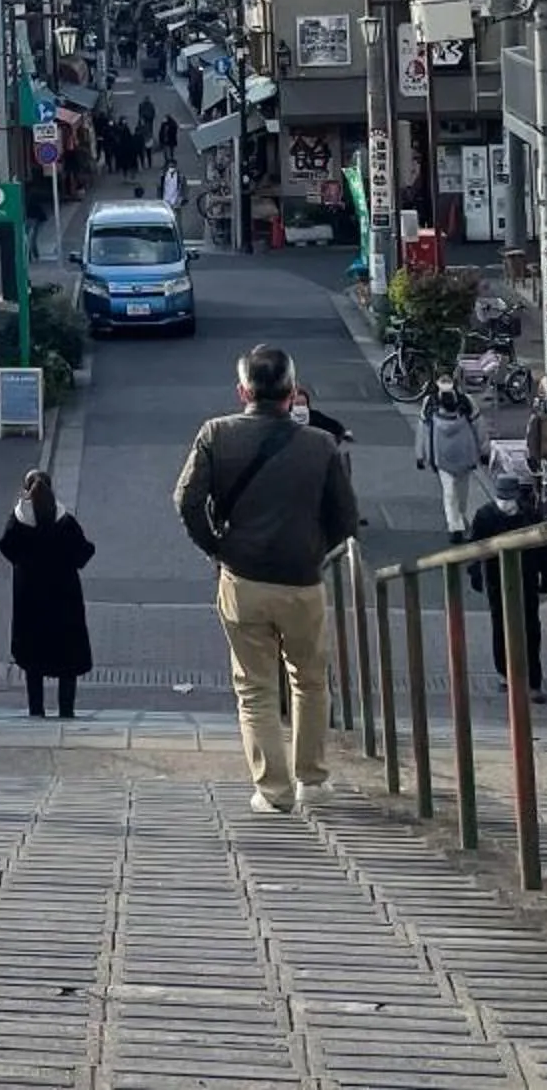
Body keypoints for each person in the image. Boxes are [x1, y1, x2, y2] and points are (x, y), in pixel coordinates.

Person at [173, 345, 361, 814]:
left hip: (242, 577)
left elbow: (186, 500)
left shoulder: (216, 434)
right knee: (310, 679)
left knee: (255, 686)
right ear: (292, 392)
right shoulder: (320, 444)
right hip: (302, 580)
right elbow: (346, 519)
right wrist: (314, 549)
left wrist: (217, 546)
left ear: (243, 392)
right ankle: (311, 778)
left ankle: (272, 791)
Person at [0, 468, 96, 719]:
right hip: (64, 598)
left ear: (26, 491)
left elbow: (7, 548)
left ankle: (36, 710)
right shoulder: (64, 521)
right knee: (67, 657)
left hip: (29, 598)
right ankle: (66, 710)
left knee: (34, 658)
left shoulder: (18, 521)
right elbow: (83, 554)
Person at [464, 472, 547, 699]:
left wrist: (545, 574)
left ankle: (531, 680)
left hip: (523, 576)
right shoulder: (488, 516)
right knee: (503, 624)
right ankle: (507, 672)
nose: (506, 503)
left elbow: (543, 548)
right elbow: (474, 547)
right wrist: (475, 571)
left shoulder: (526, 514)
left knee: (528, 627)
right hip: (500, 577)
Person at [414, 377, 488, 533]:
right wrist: (484, 451)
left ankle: (455, 524)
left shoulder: (430, 404)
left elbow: (423, 429)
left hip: (441, 454)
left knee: (450, 492)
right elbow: (479, 427)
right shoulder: (467, 402)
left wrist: (420, 454)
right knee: (461, 492)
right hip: (465, 453)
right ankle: (458, 520)